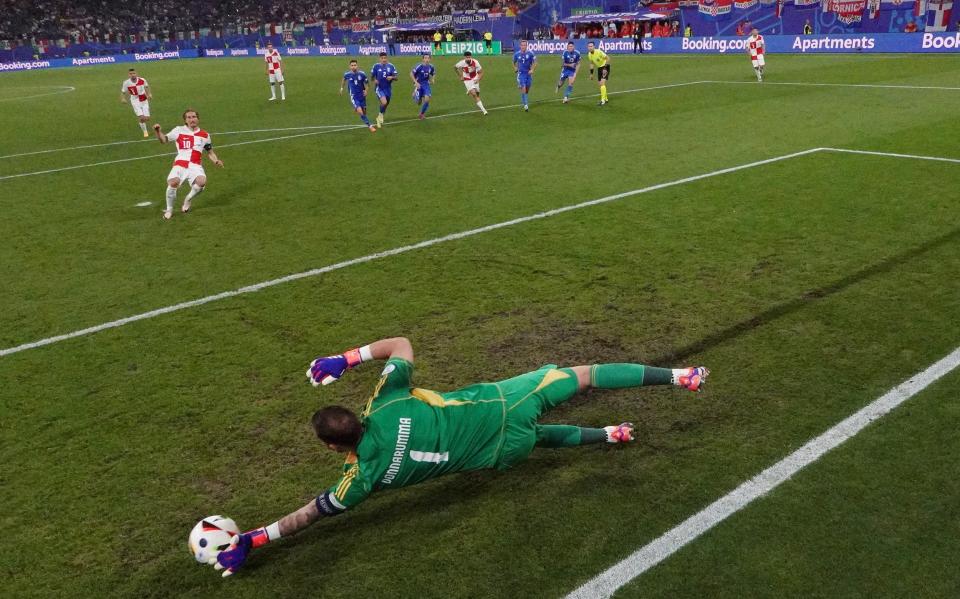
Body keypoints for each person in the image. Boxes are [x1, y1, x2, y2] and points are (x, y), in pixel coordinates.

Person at [210, 336, 710, 576]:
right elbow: (401, 344)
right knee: (586, 374)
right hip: (504, 401)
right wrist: (346, 359)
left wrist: (254, 539)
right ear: (355, 417)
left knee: (536, 440)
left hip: (500, 451)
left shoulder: (361, 479)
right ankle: (677, 377)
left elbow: (313, 513)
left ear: (332, 447)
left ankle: (607, 434)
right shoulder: (387, 401)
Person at [152, 109, 224, 220]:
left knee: (201, 182)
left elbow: (210, 152)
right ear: (185, 120)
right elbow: (164, 140)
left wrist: (216, 160)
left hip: (195, 165)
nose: (192, 119)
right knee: (173, 182)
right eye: (189, 117)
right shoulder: (179, 130)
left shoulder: (205, 135)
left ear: (198, 119)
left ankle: (188, 200)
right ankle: (169, 209)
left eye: (194, 117)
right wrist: (158, 132)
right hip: (181, 163)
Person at [340, 59, 377, 132]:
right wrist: (341, 88)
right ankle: (370, 126)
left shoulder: (362, 74)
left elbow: (367, 84)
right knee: (360, 111)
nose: (353, 67)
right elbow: (344, 80)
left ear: (357, 66)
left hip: (362, 96)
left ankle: (357, 108)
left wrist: (366, 91)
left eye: (355, 65)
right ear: (349, 66)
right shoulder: (347, 74)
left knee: (364, 112)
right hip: (354, 96)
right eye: (352, 65)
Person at [120, 68, 152, 137]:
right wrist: (123, 98)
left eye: (134, 73)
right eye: (131, 74)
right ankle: (145, 131)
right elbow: (123, 92)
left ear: (136, 74)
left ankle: (141, 123)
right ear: (128, 75)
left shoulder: (142, 80)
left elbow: (146, 87)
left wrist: (149, 94)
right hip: (135, 100)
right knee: (142, 117)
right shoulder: (126, 83)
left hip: (144, 99)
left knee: (147, 118)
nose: (132, 75)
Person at [370, 52, 398, 128]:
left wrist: (392, 77)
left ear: (387, 58)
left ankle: (380, 115)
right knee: (384, 102)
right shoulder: (376, 66)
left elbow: (396, 77)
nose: (384, 59)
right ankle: (380, 116)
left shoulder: (391, 66)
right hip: (379, 88)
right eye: (382, 58)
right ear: (379, 59)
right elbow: (372, 77)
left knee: (385, 104)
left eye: (385, 58)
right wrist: (374, 80)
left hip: (388, 89)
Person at [512, 39, 537, 112]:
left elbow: (535, 62)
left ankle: (522, 91)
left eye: (524, 45)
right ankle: (526, 105)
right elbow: (513, 62)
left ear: (527, 46)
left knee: (527, 90)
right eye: (522, 45)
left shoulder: (531, 53)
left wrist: (532, 69)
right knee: (524, 87)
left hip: (528, 74)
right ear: (520, 46)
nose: (523, 46)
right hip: (521, 74)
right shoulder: (517, 54)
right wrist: (515, 67)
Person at [410, 53, 436, 120]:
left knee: (427, 99)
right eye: (425, 58)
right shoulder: (419, 66)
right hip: (419, 84)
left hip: (426, 84)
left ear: (430, 59)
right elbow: (411, 74)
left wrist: (433, 79)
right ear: (423, 59)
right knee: (419, 102)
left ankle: (421, 114)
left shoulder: (431, 66)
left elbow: (433, 73)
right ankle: (415, 94)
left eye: (428, 58)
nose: (427, 59)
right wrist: (415, 82)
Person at [586, 41, 610, 106]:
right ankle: (606, 98)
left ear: (594, 47)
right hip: (599, 68)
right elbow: (591, 63)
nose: (590, 47)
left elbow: (608, 58)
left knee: (602, 83)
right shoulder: (589, 54)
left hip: (605, 67)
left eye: (591, 46)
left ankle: (602, 101)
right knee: (600, 84)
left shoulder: (599, 52)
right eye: (589, 46)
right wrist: (591, 74)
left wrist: (605, 68)